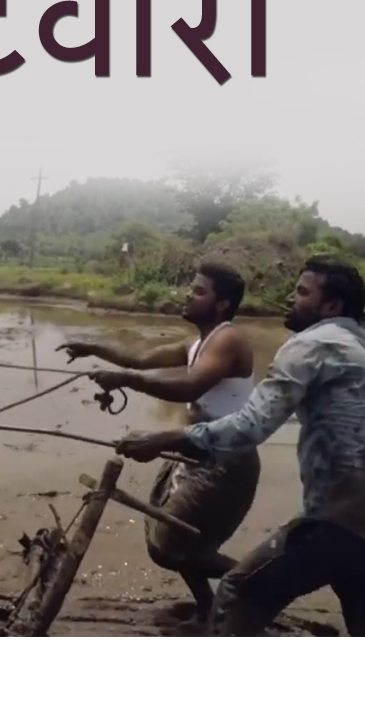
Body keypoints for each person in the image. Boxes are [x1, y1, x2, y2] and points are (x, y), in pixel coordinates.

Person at [115, 258, 365, 636]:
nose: (290, 298)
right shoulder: (357, 345)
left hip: (340, 515)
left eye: (302, 292)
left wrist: (169, 438)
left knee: (239, 593)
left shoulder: (311, 345)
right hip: (353, 518)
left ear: (332, 306)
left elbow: (251, 425)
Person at [57, 262, 261, 618]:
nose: (188, 294)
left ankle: (263, 583)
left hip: (226, 460)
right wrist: (92, 348)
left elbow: (190, 386)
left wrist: (125, 380)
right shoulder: (197, 344)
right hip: (192, 448)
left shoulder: (229, 338)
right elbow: (140, 358)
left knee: (170, 547)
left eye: (199, 291)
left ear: (222, 304)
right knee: (172, 536)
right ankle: (209, 607)